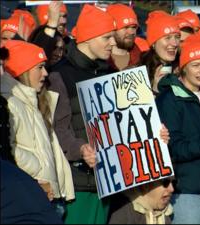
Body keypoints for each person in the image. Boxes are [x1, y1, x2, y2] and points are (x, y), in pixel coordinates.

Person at [47, 4, 117, 224]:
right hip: (79, 184)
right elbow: (58, 128)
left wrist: (153, 134)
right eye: (107, 37)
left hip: (110, 181)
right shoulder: (60, 74)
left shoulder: (112, 73)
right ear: (88, 38)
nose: (113, 43)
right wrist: (80, 149)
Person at [0, 40, 75, 220]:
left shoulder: (37, 102)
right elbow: (7, 151)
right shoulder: (10, 103)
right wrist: (38, 168)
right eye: (39, 67)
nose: (45, 73)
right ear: (22, 71)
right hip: (29, 195)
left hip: (49, 195)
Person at [156, 34, 200, 224]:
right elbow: (172, 148)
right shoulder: (169, 99)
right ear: (183, 67)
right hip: (186, 190)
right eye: (196, 65)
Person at [141, 10, 181, 95]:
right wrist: (155, 90)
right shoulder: (138, 72)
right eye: (167, 38)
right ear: (153, 43)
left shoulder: (182, 69)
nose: (174, 43)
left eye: (177, 37)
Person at [108, 175, 176, 224]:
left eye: (174, 182)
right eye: (165, 182)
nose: (172, 189)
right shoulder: (124, 211)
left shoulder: (166, 213)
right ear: (146, 184)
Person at [106, 3, 143, 70]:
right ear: (111, 29)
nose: (131, 32)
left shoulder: (143, 59)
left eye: (134, 27)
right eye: (125, 27)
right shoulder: (98, 61)